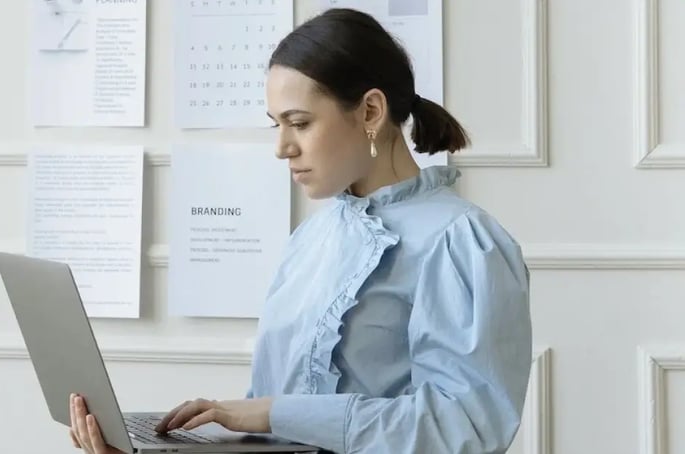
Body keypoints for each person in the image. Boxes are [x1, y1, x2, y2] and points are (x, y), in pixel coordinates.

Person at [68, 7, 532, 454]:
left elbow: (465, 431)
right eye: (276, 125)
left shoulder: (461, 241)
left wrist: (277, 414)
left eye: (300, 123)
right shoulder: (311, 239)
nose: (282, 147)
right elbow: (265, 434)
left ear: (371, 111)